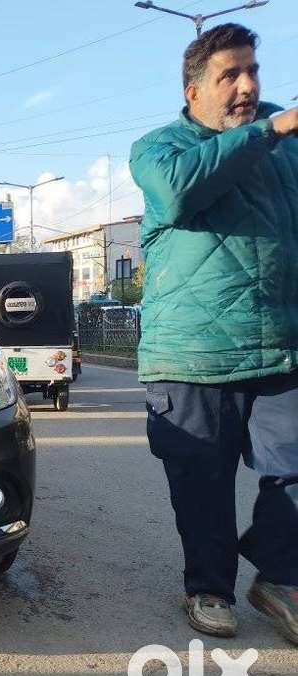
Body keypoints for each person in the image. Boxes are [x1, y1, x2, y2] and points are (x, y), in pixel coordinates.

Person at [130, 23, 298, 643]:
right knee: (203, 483)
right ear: (194, 89)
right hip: (192, 355)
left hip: (281, 346)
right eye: (230, 74)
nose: (247, 86)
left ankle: (281, 577)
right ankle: (209, 587)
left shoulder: (286, 146)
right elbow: (179, 194)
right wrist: (270, 130)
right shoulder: (159, 150)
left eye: (253, 71)